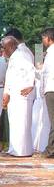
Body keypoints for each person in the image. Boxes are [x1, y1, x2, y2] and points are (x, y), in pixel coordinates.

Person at [2, 31, 37, 158]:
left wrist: (30, 84)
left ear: (11, 46)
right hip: (15, 93)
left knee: (21, 122)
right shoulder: (15, 55)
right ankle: (16, 149)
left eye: (4, 48)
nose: (3, 51)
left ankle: (22, 151)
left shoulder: (22, 53)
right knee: (16, 122)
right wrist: (7, 92)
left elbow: (32, 69)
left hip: (22, 93)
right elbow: (10, 76)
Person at [37, 28, 54, 158]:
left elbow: (45, 74)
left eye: (43, 38)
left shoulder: (50, 53)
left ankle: (50, 150)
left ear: (48, 38)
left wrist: (38, 68)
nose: (42, 41)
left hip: (51, 89)